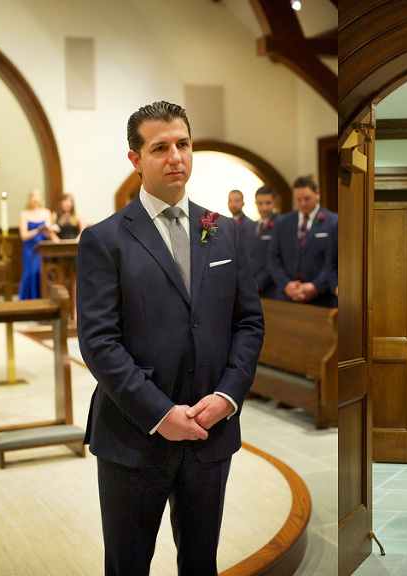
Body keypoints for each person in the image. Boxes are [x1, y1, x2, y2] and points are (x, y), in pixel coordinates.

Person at [76, 101, 264, 575]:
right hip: (134, 433)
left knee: (201, 561)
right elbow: (99, 341)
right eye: (160, 148)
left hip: (209, 428)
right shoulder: (106, 239)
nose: (175, 157)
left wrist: (227, 395)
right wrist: (159, 412)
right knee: (128, 563)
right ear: (136, 160)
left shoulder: (222, 232)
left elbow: (248, 323)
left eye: (183, 144)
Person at [268, 176, 338, 307]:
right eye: (298, 200)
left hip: (322, 298)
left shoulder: (333, 222)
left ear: (317, 194)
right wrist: (287, 285)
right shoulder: (282, 223)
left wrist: (315, 286)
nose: (303, 204)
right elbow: (273, 258)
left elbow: (335, 262)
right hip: (288, 297)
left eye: (307, 198)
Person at [18, 187, 58, 299]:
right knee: (30, 273)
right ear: (29, 198)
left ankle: (43, 299)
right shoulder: (24, 214)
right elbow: (23, 235)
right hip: (30, 249)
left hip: (42, 249)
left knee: (41, 273)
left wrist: (52, 232)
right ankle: (29, 300)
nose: (36, 198)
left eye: (38, 195)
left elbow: (48, 234)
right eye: (33, 196)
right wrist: (37, 230)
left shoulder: (46, 212)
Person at [249, 185, 279, 298]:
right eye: (260, 203)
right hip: (252, 289)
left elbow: (277, 259)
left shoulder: (282, 224)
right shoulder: (252, 226)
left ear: (274, 202)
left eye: (268, 203)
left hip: (272, 289)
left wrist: (259, 283)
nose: (264, 208)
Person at [227, 189, 255, 256]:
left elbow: (248, 251)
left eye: (237, 201)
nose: (233, 204)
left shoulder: (250, 224)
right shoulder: (227, 223)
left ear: (243, 203)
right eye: (230, 201)